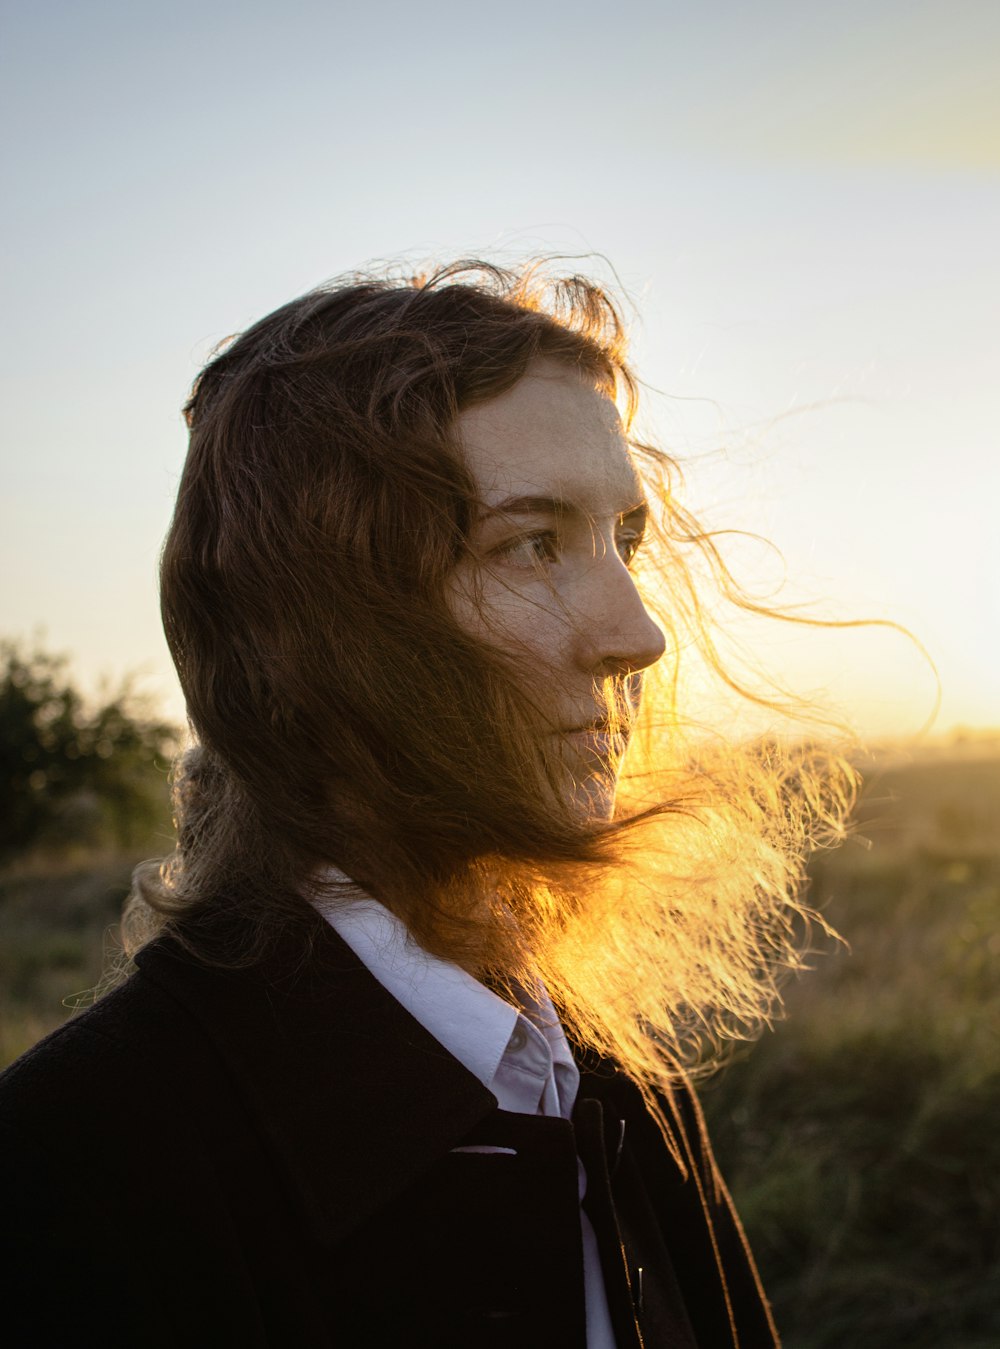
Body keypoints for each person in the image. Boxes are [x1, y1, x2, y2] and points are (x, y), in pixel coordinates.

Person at [0, 261, 852, 1347]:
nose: (637, 633)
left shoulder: (613, 1077)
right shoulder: (72, 1168)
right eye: (531, 543)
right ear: (317, 629)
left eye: (621, 542)